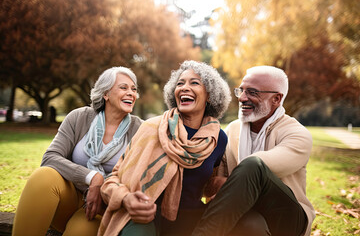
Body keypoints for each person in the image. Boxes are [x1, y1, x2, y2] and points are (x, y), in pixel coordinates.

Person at [98, 60, 232, 236]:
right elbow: (113, 178)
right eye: (180, 83)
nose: (184, 87)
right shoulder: (152, 128)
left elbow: (210, 185)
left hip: (192, 222)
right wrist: (126, 198)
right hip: (145, 218)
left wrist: (220, 187)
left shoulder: (217, 138)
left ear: (210, 95)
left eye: (194, 83)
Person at [12, 66, 143, 236]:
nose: (131, 93)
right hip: (68, 197)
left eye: (134, 89)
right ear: (106, 94)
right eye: (123, 87)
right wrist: (93, 177)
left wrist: (104, 189)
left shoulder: (139, 129)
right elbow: (50, 158)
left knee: (80, 231)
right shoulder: (79, 117)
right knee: (43, 176)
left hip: (101, 207)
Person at [192, 66, 315, 236]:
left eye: (252, 92)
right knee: (249, 224)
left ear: (276, 99)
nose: (242, 98)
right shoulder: (232, 130)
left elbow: (256, 170)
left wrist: (228, 184)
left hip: (288, 220)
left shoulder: (297, 134)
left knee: (254, 165)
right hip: (248, 213)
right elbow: (213, 186)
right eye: (241, 90)